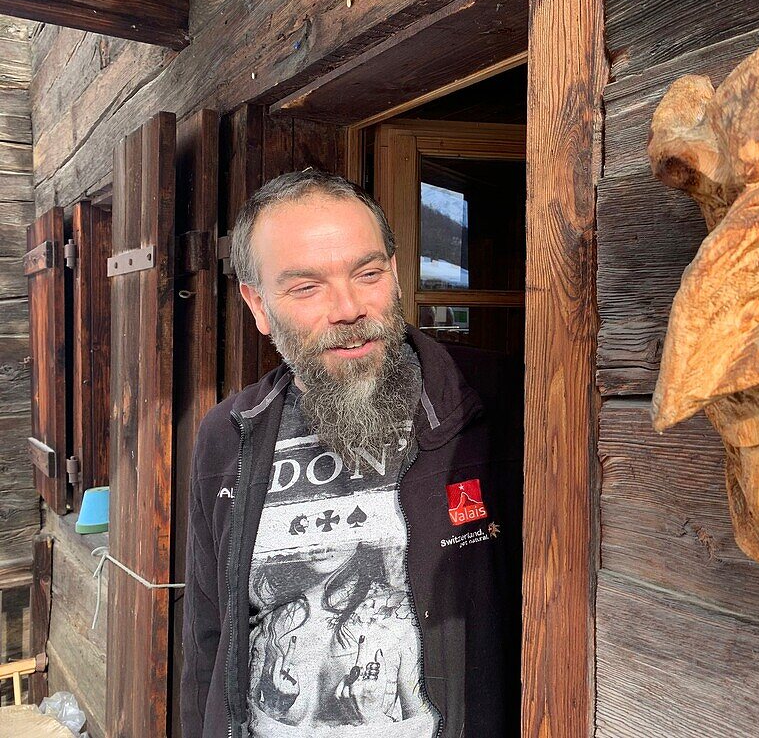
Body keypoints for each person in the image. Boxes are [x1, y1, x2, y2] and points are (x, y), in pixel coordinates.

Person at [181, 171, 519, 738]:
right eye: (306, 287)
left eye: (368, 274)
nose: (348, 307)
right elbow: (207, 642)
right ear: (258, 305)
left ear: (395, 273)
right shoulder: (228, 435)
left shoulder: (496, 406)